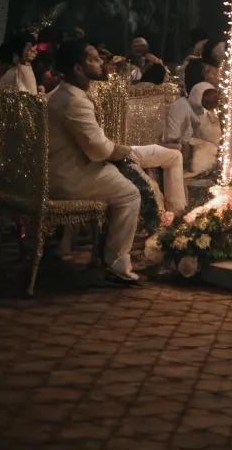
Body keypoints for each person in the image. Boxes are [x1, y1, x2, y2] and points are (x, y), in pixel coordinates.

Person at [47, 39, 143, 284]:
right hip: (69, 178)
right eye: (93, 58)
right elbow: (98, 150)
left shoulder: (59, 93)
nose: (101, 62)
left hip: (52, 172)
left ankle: (102, 255)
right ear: (78, 68)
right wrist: (122, 151)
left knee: (122, 173)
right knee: (130, 194)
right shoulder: (73, 101)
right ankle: (116, 263)